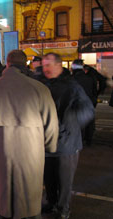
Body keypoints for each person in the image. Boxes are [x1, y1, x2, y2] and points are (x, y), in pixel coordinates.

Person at [0, 50, 59, 219]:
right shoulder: (40, 88)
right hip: (31, 150)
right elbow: (51, 124)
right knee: (28, 191)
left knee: (3, 190)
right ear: (26, 65)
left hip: (1, 149)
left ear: (7, 64)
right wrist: (50, 147)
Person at [41, 53, 94, 219]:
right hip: (46, 142)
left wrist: (68, 121)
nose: (46, 69)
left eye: (49, 64)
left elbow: (87, 110)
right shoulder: (43, 84)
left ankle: (63, 208)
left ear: (59, 65)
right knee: (48, 178)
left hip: (67, 143)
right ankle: (51, 202)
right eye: (43, 65)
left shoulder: (72, 85)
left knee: (64, 181)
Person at [72, 59, 97, 146]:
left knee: (79, 124)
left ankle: (81, 141)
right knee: (89, 123)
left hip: (78, 103)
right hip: (89, 102)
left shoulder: (73, 79)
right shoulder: (90, 78)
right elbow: (94, 91)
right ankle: (89, 140)